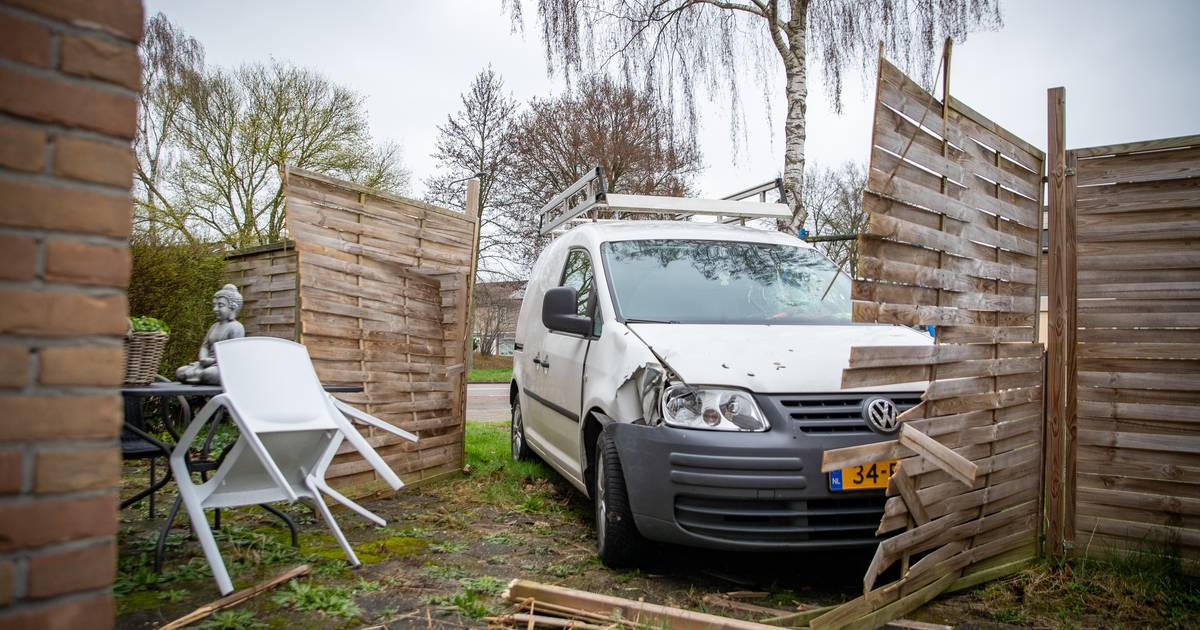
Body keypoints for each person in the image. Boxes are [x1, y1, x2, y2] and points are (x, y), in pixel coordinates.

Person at [175, 284, 245, 384]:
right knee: (180, 372)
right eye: (214, 305)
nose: (215, 309)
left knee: (208, 374)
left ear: (233, 308)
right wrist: (203, 359)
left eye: (220, 305)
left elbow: (233, 354)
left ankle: (200, 376)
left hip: (223, 366)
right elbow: (205, 346)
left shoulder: (236, 327)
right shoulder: (214, 326)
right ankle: (199, 376)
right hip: (206, 364)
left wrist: (213, 361)